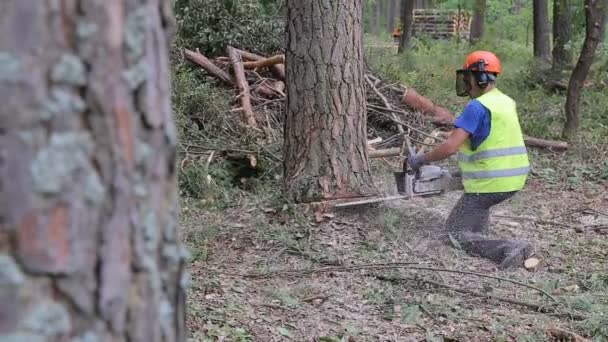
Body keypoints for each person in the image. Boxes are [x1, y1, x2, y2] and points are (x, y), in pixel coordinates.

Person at [408, 51, 533, 269]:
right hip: (513, 178)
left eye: (468, 78)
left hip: (490, 182)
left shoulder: (477, 106)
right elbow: (489, 136)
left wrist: (421, 159)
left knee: (453, 234)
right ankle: (483, 236)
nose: (466, 83)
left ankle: (509, 248)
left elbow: (450, 147)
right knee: (475, 213)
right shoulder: (505, 101)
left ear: (481, 78)